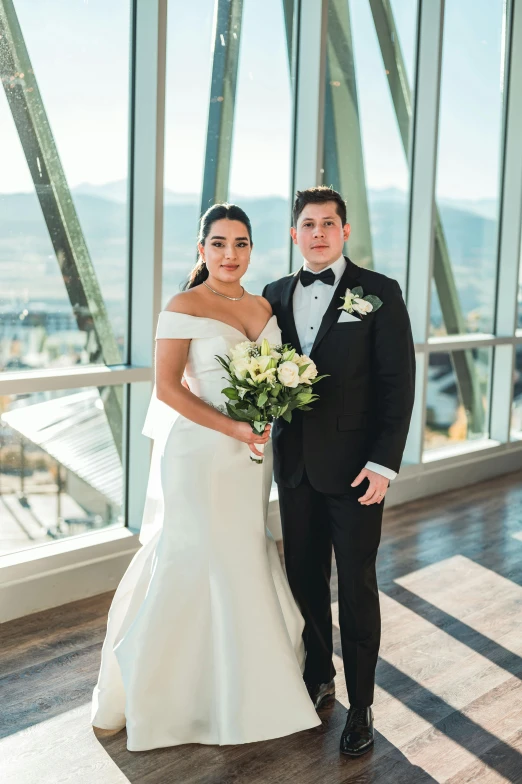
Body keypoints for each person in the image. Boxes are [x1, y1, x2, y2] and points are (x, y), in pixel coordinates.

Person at [91, 203, 321, 751]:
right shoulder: (182, 306)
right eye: (219, 243)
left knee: (242, 553)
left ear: (250, 250)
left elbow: (277, 378)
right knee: (193, 556)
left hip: (249, 459)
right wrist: (233, 428)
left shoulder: (265, 308)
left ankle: (247, 689)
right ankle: (163, 695)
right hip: (198, 454)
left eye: (240, 244)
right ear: (202, 249)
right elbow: (168, 389)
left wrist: (261, 421)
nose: (230, 254)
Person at [263, 186, 415, 757]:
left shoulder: (378, 293)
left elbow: (397, 386)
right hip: (295, 469)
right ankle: (318, 676)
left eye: (329, 223)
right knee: (303, 580)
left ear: (345, 231)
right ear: (295, 233)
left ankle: (364, 705)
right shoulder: (274, 295)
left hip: (357, 473)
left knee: (355, 587)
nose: (319, 232)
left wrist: (383, 463)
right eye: (309, 223)